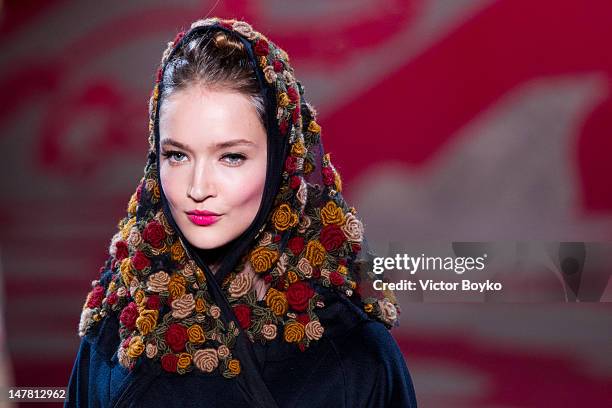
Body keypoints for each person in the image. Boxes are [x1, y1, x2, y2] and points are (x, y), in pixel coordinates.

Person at [65, 17, 418, 408]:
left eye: (231, 157)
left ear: (281, 162)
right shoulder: (115, 342)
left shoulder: (354, 355)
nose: (197, 188)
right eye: (177, 155)